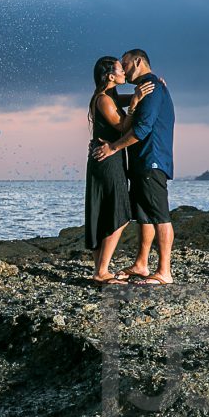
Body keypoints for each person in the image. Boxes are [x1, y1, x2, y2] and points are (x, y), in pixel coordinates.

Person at [92, 49, 176, 285]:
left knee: (160, 215)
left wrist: (114, 148)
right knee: (143, 215)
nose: (124, 70)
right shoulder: (146, 87)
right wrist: (136, 97)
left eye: (126, 64)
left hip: (151, 160)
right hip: (140, 161)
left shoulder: (152, 87)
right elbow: (120, 100)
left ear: (138, 62)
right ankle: (141, 264)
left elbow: (141, 129)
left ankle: (164, 272)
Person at [85, 56, 153, 284]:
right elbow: (123, 126)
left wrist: (145, 92)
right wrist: (134, 105)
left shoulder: (111, 96)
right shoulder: (104, 99)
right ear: (110, 77)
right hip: (107, 159)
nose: (125, 71)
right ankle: (102, 271)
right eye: (120, 69)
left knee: (103, 210)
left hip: (105, 157)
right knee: (120, 212)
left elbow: (132, 98)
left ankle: (100, 270)